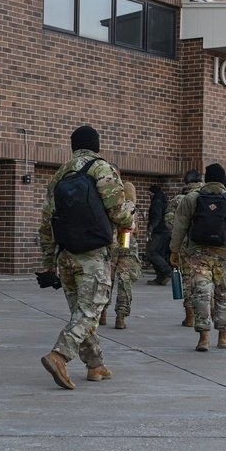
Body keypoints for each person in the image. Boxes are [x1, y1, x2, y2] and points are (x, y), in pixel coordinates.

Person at [38, 125, 134, 389]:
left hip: (66, 255)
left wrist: (49, 263)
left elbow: (46, 223)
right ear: (96, 145)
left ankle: (95, 365)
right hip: (93, 255)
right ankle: (59, 355)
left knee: (81, 312)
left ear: (72, 146)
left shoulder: (59, 175)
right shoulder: (103, 169)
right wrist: (130, 220)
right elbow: (118, 211)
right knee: (90, 311)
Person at [168, 163, 226, 352]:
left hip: (197, 255)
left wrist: (174, 250)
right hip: (224, 254)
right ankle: (223, 336)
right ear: (224, 180)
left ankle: (203, 338)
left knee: (201, 294)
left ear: (206, 179)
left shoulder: (191, 199)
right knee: (223, 295)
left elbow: (179, 227)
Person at [165, 169, 204, 327]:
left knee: (188, 279)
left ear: (185, 183)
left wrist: (181, 236)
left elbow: (169, 222)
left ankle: (190, 316)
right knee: (205, 279)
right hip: (206, 245)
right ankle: (210, 311)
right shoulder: (208, 196)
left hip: (185, 246)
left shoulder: (179, 199)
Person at [101, 182, 140, 330]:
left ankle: (103, 313)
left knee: (106, 277)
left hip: (110, 240)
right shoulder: (129, 194)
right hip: (126, 238)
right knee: (125, 278)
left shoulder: (106, 195)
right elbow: (134, 225)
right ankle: (120, 317)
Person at [146, 184, 171, 285]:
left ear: (153, 192)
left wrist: (150, 229)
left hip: (159, 232)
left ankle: (167, 271)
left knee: (152, 253)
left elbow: (157, 217)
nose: (149, 194)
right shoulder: (164, 200)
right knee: (159, 253)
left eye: (150, 192)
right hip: (166, 231)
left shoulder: (156, 202)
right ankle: (160, 278)